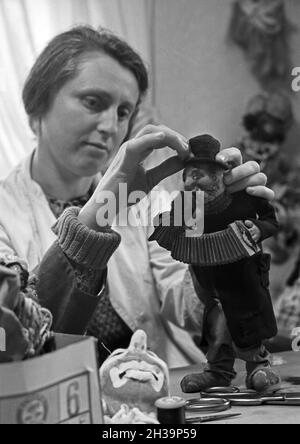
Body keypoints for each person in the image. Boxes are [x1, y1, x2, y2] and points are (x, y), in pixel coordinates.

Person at [0, 26, 274, 367]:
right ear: (37, 105)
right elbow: (19, 341)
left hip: (154, 391)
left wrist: (221, 230)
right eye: (93, 102)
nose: (110, 126)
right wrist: (100, 213)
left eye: (123, 112)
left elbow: (187, 303)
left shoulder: (150, 201)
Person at [151, 134, 280, 392]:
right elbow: (170, 236)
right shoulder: (184, 205)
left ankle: (259, 367)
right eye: (190, 174)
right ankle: (218, 371)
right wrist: (167, 225)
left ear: (223, 174)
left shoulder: (245, 196)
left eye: (205, 172)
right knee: (217, 327)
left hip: (243, 277)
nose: (195, 179)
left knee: (248, 322)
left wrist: (257, 229)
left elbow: (271, 221)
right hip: (206, 282)